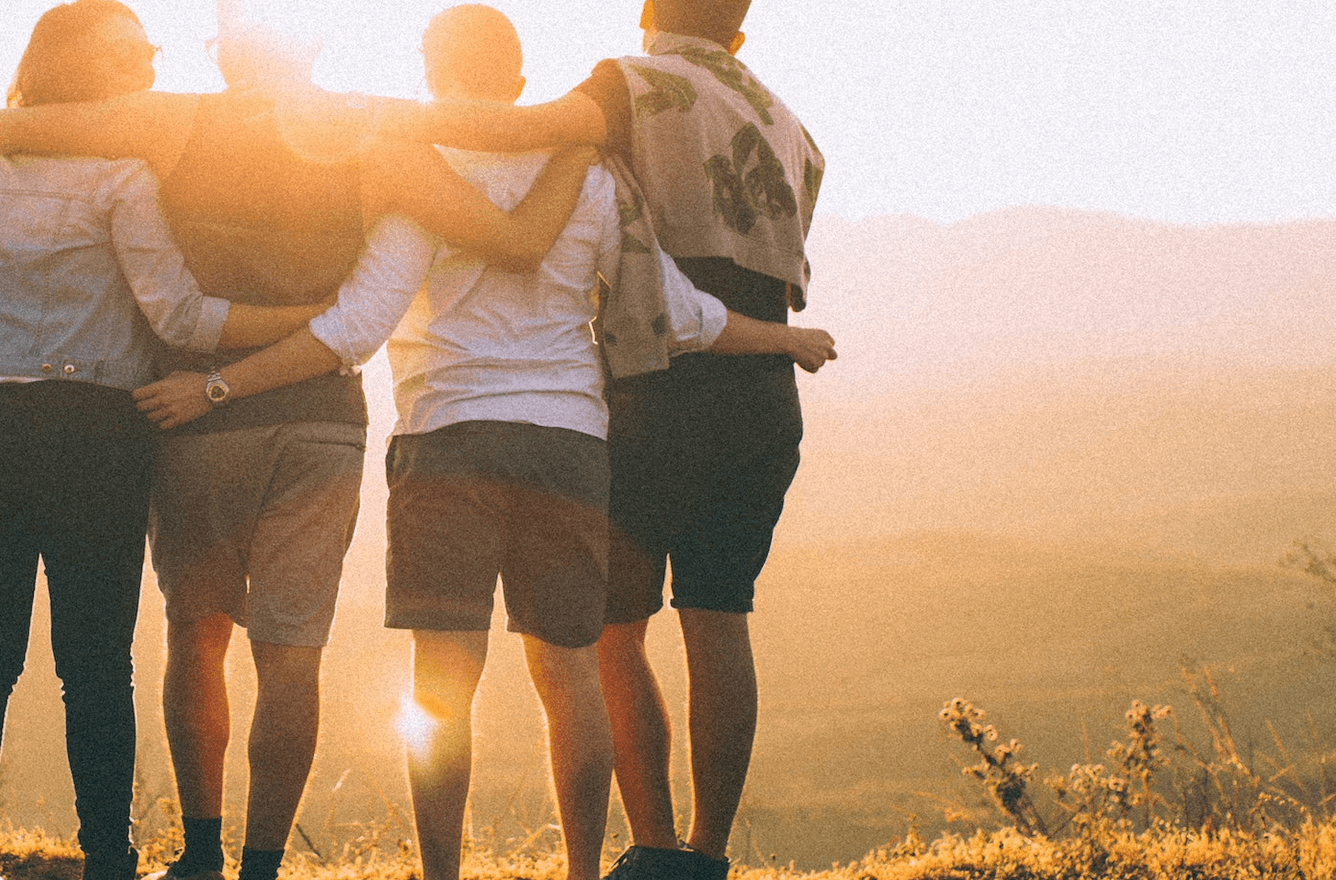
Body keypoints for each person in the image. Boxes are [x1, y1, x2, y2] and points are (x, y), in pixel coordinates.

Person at [131, 9, 834, 880]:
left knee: (442, 684)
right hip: (570, 443)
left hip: (447, 441)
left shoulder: (422, 177)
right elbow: (673, 313)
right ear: (515, 76)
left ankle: (441, 874)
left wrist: (218, 383)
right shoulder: (592, 175)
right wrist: (782, 339)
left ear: (431, 70)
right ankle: (583, 868)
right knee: (570, 670)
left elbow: (356, 327)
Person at [0, 6, 597, 880]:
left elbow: (2, 125)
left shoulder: (171, 120)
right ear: (312, 43)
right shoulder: (375, 133)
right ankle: (262, 864)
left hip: (193, 416)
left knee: (196, 634)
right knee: (289, 652)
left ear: (227, 48)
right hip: (321, 424)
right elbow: (514, 240)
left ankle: (199, 856)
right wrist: (579, 139)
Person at [379, 2, 828, 878]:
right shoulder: (787, 121)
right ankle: (705, 854)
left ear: (647, 15)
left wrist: (364, 118)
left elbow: (519, 127)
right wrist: (779, 337)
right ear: (738, 34)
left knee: (612, 633)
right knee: (720, 615)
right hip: (758, 380)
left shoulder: (631, 82)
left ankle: (651, 848)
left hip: (651, 374)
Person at [0, 4, 339, 879]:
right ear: (96, 71)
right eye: (134, 51)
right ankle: (107, 861)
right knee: (94, 664)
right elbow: (182, 315)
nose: (151, 60)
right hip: (87, 429)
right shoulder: (121, 177)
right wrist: (317, 321)